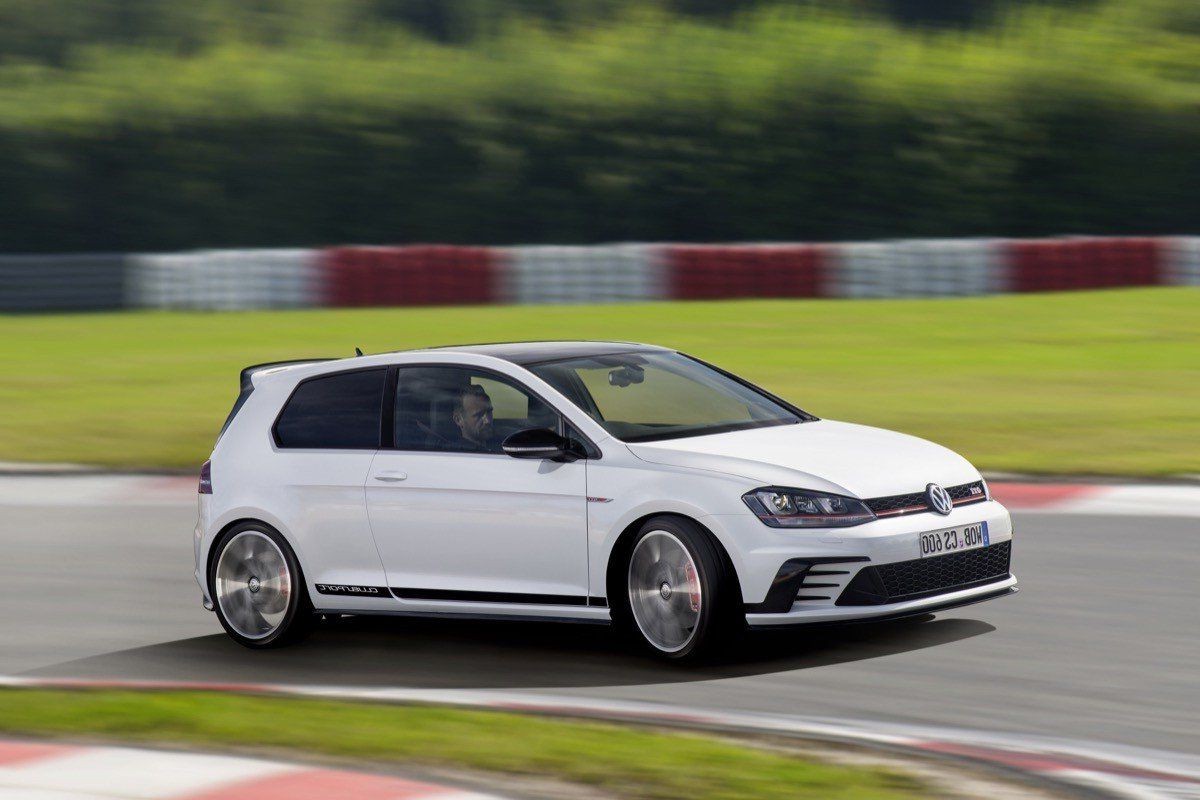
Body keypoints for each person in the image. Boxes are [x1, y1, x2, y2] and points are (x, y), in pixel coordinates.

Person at [451, 384, 498, 452]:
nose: (487, 420)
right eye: (479, 415)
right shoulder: (458, 454)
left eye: (489, 412)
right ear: (458, 420)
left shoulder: (501, 443)